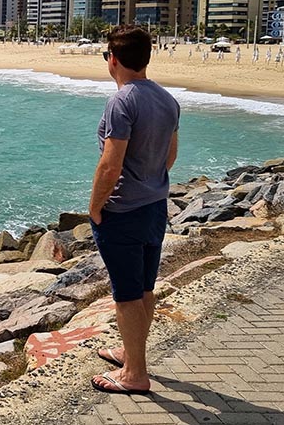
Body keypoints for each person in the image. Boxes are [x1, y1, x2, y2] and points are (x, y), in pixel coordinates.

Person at [90, 25, 180, 395]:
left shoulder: (122, 101)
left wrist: (95, 207)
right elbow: (171, 155)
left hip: (123, 211)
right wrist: (150, 180)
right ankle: (132, 354)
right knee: (144, 288)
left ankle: (134, 375)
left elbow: (111, 165)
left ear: (113, 59)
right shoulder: (167, 99)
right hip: (155, 205)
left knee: (126, 294)